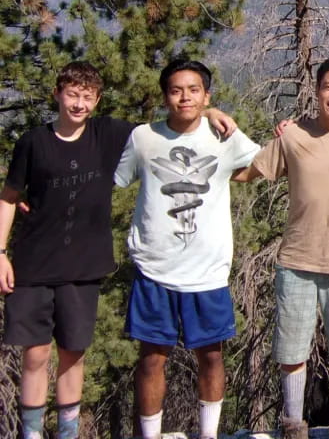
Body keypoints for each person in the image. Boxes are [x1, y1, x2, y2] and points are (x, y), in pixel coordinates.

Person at [0, 60, 235, 439]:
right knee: (36, 355)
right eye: (72, 94)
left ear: (97, 100)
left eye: (87, 96)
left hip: (83, 266)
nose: (78, 103)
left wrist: (208, 109)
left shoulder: (109, 133)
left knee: (73, 355)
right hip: (33, 263)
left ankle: (67, 433)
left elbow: (175, 120)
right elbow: (10, 196)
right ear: (57, 94)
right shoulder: (33, 141)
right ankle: (30, 433)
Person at [233, 56, 329, 439]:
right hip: (297, 259)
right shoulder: (292, 136)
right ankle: (292, 423)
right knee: (291, 349)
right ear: (317, 90)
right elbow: (249, 170)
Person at [115, 59, 259, 439]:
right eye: (177, 90)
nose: (185, 97)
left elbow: (261, 164)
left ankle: (209, 434)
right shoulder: (143, 137)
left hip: (207, 270)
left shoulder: (224, 137)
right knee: (150, 360)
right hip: (154, 267)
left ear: (206, 95)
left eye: (194, 90)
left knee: (211, 357)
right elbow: (117, 178)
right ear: (165, 96)